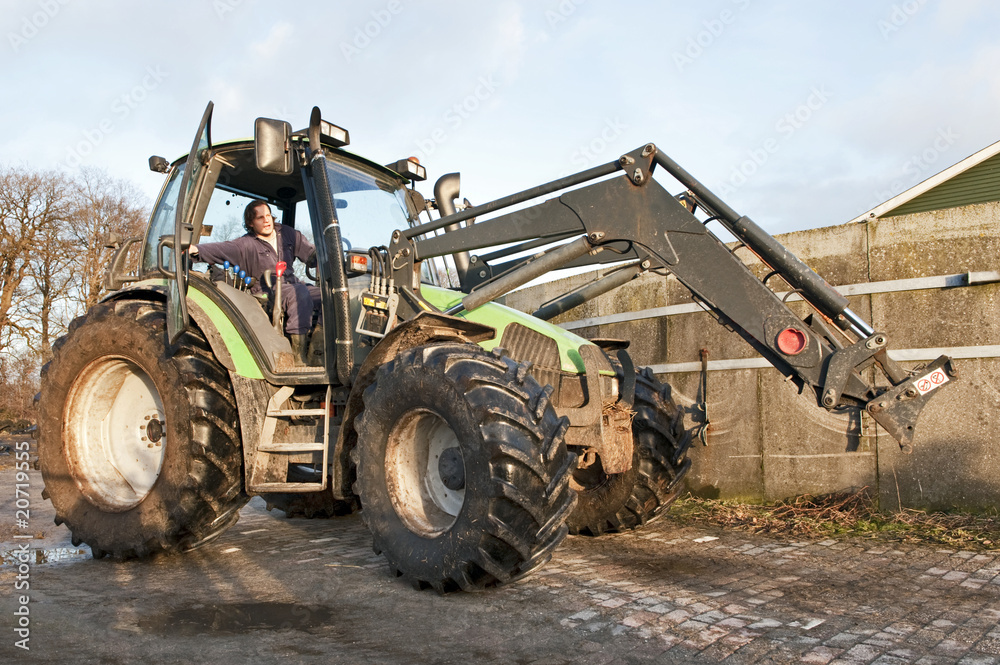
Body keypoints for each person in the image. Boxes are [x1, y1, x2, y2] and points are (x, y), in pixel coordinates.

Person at [189, 199, 319, 362]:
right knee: (298, 293)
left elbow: (312, 255)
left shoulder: (287, 234)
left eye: (268, 216)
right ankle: (299, 356)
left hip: (293, 283)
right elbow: (220, 249)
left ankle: (318, 351)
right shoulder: (246, 244)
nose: (266, 220)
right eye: (260, 218)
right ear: (250, 223)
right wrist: (195, 249)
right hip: (266, 290)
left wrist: (327, 259)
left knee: (329, 296)